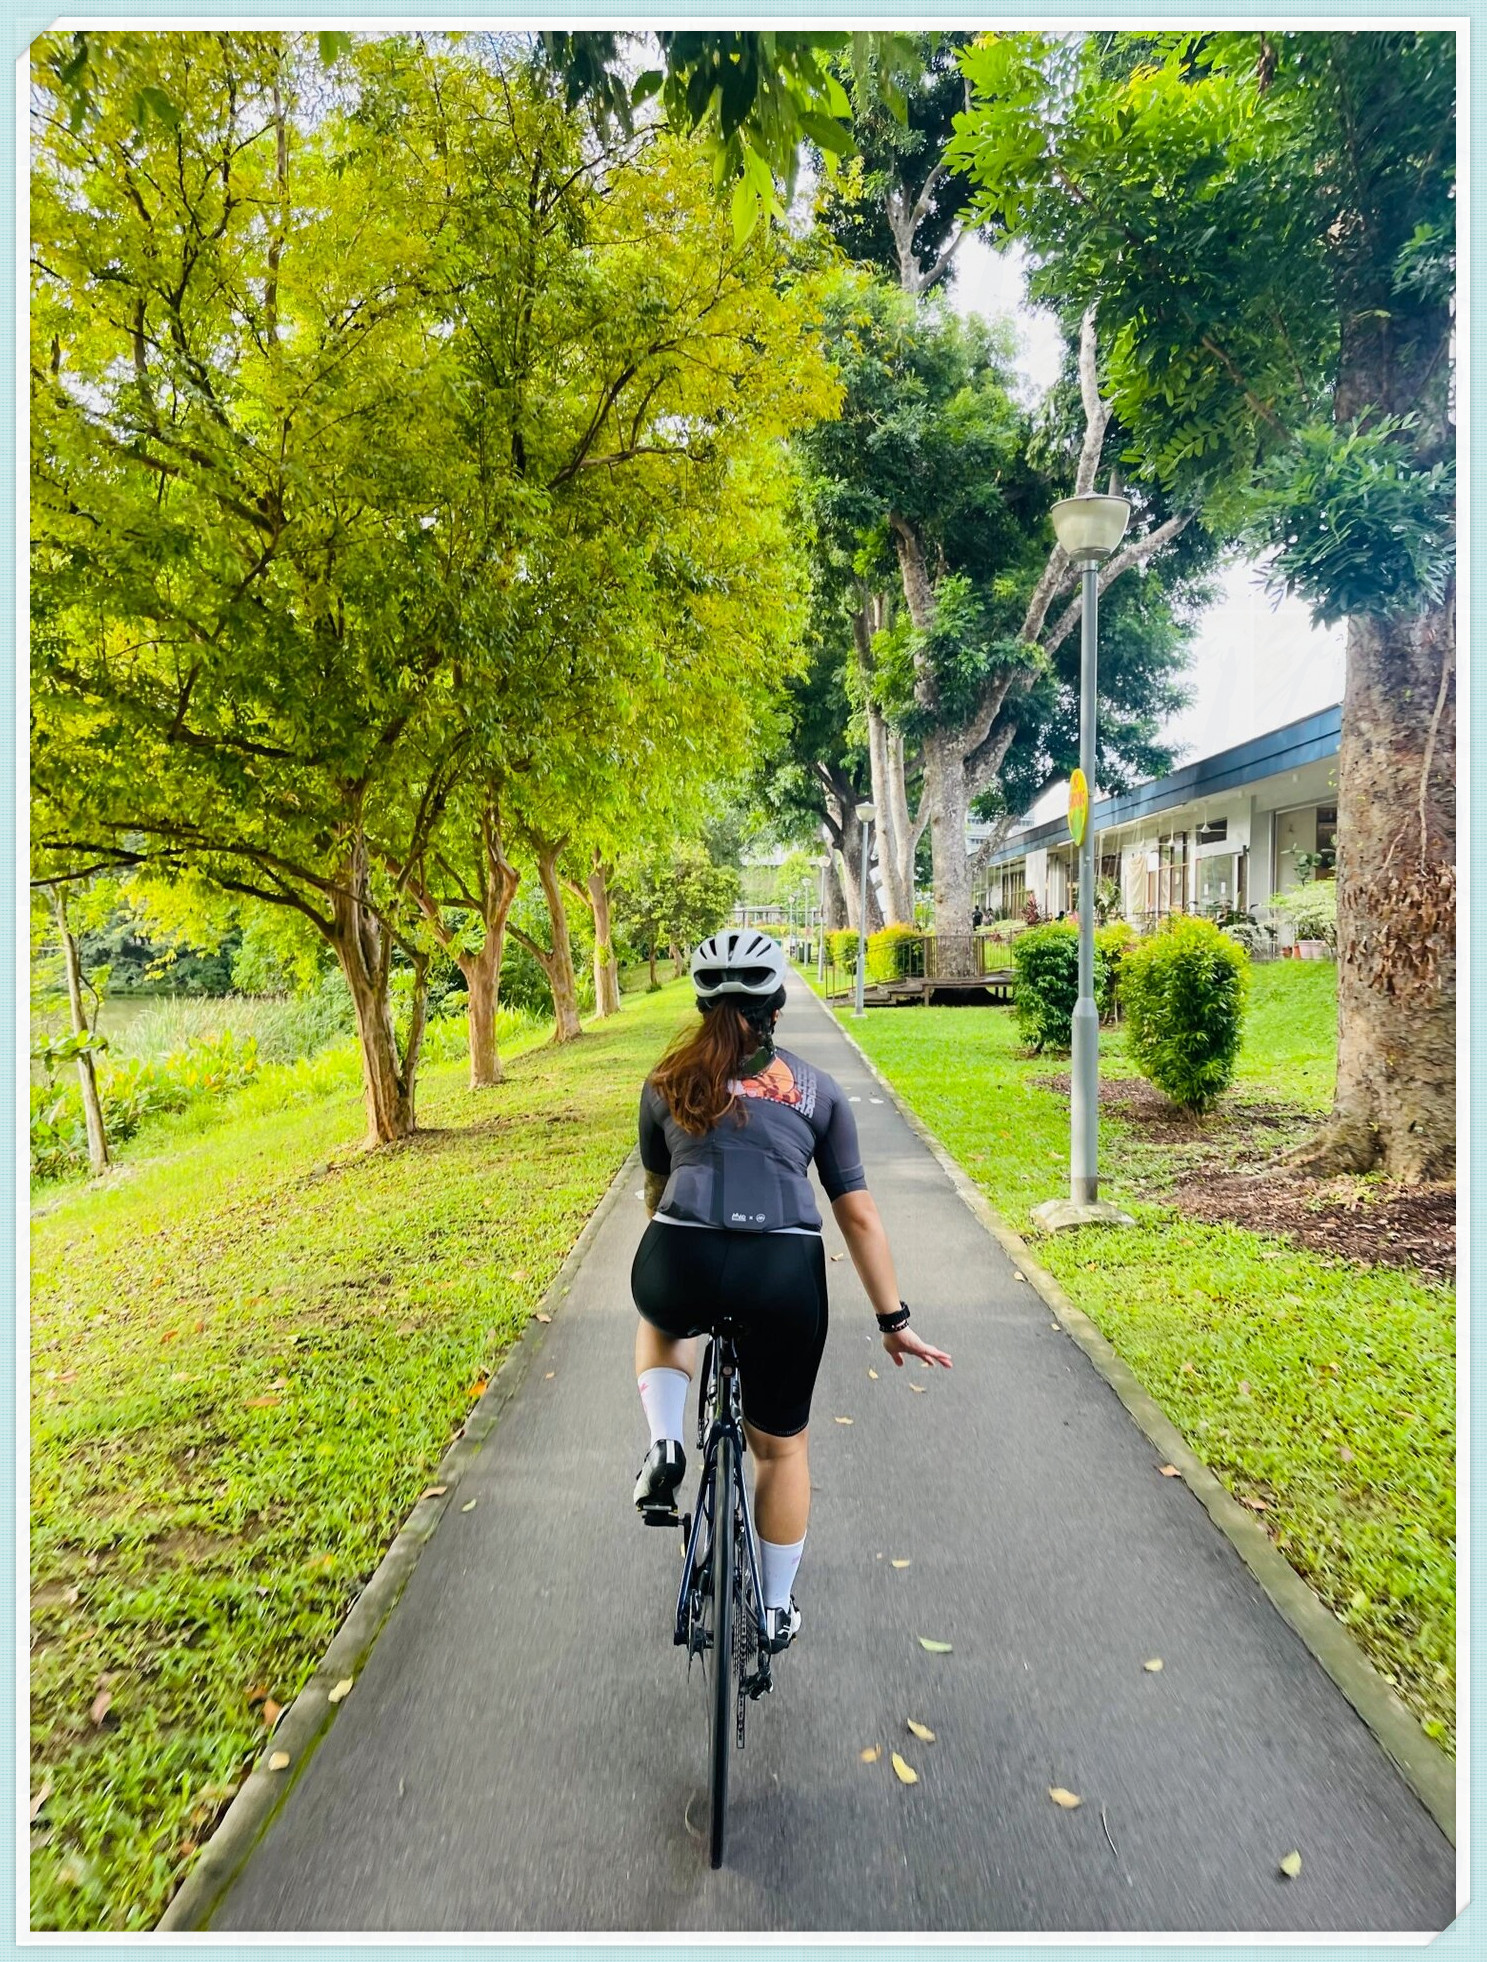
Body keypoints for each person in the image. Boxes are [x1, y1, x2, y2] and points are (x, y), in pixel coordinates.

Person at [629, 928, 951, 1654]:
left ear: (701, 1005)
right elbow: (857, 1216)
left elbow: (656, 1191)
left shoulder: (663, 1082)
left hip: (681, 1252)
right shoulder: (818, 1091)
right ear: (777, 1006)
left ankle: (665, 1442)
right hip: (782, 1274)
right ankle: (774, 1611)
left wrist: (682, 1258)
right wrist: (893, 1319)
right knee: (779, 1451)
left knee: (662, 1313)